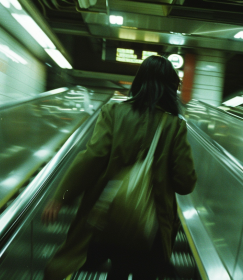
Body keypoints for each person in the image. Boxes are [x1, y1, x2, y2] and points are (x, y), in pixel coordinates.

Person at [41, 55, 197, 279]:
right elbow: (185, 183)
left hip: (110, 217)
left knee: (118, 270)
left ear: (139, 82)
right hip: (150, 225)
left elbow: (91, 158)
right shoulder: (174, 127)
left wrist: (61, 196)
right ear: (170, 89)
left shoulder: (112, 113)